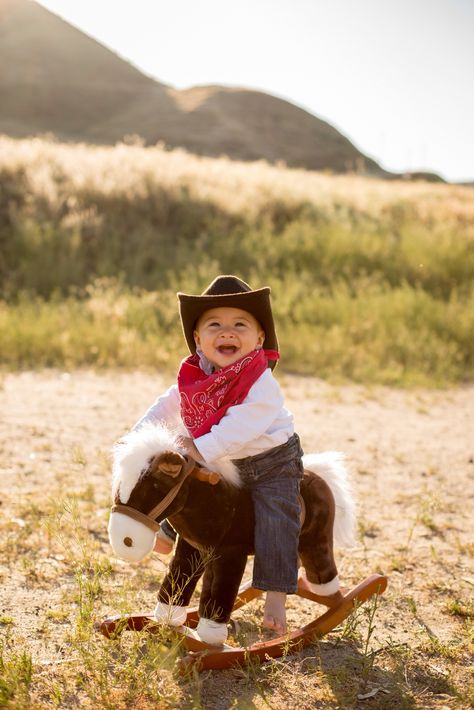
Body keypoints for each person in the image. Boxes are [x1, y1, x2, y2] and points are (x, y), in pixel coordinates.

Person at [133, 275, 304, 633]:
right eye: (215, 325)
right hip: (223, 457)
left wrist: (200, 448)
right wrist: (140, 437)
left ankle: (275, 594)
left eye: (240, 324)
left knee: (277, 517)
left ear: (259, 339)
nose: (227, 332)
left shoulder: (260, 382)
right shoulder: (195, 377)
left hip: (270, 461)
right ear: (198, 338)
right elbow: (167, 407)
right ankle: (167, 528)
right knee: (185, 485)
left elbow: (244, 425)